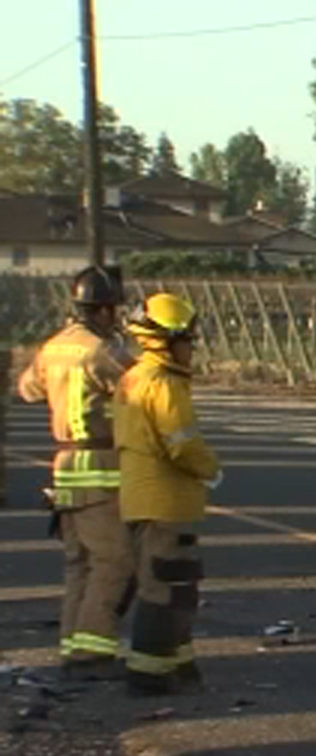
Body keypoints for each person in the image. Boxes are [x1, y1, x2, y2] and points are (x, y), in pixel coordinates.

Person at [15, 267, 134, 679]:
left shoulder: (54, 347)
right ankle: (92, 648)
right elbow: (141, 386)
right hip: (98, 466)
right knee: (114, 561)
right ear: (102, 309)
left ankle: (72, 641)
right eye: (114, 308)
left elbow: (27, 389)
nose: (116, 316)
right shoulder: (102, 351)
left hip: (64, 467)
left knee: (77, 563)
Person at [116, 293, 221, 696]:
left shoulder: (135, 375)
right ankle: (150, 672)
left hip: (144, 499)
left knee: (177, 584)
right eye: (188, 339)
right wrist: (211, 468)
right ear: (167, 339)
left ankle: (177, 664)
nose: (192, 346)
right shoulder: (164, 384)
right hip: (165, 502)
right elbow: (182, 444)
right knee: (164, 587)